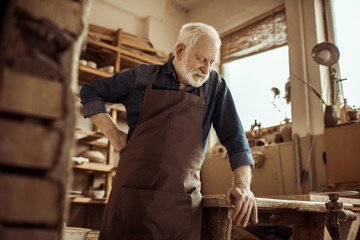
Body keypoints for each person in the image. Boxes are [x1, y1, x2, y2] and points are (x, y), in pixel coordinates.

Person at [80, 22, 258, 240]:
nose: (206, 69)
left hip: (180, 208)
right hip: (130, 201)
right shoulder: (143, 77)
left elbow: (236, 140)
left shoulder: (215, 87)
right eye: (201, 59)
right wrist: (115, 135)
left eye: (212, 62)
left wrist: (242, 185)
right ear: (180, 50)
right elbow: (90, 91)